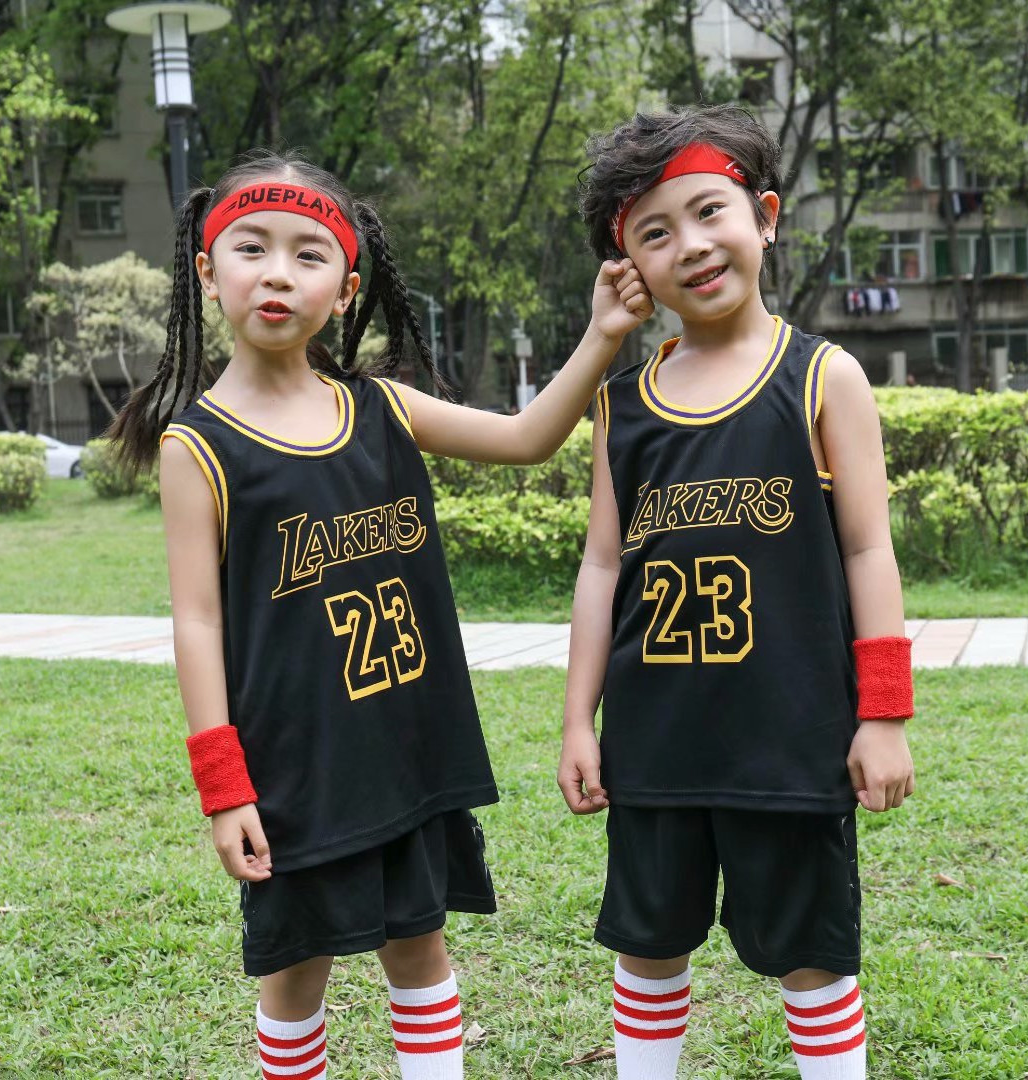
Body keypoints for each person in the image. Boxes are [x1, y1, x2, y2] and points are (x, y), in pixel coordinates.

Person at [109, 148, 652, 1080]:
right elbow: (196, 623)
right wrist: (224, 787)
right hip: (297, 766)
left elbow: (528, 438)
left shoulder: (385, 409)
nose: (278, 273)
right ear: (208, 272)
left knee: (421, 950)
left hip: (408, 744)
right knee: (297, 970)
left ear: (346, 288)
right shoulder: (196, 447)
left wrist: (603, 333)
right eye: (251, 248)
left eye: (308, 254)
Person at [556, 106, 916, 1079]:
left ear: (764, 216)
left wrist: (883, 714)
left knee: (812, 960)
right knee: (648, 950)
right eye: (654, 232)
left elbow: (868, 550)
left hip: (792, 742)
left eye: (709, 211)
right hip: (655, 744)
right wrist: (579, 720)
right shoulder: (622, 408)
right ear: (630, 267)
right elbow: (601, 567)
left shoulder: (824, 377)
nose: (690, 245)